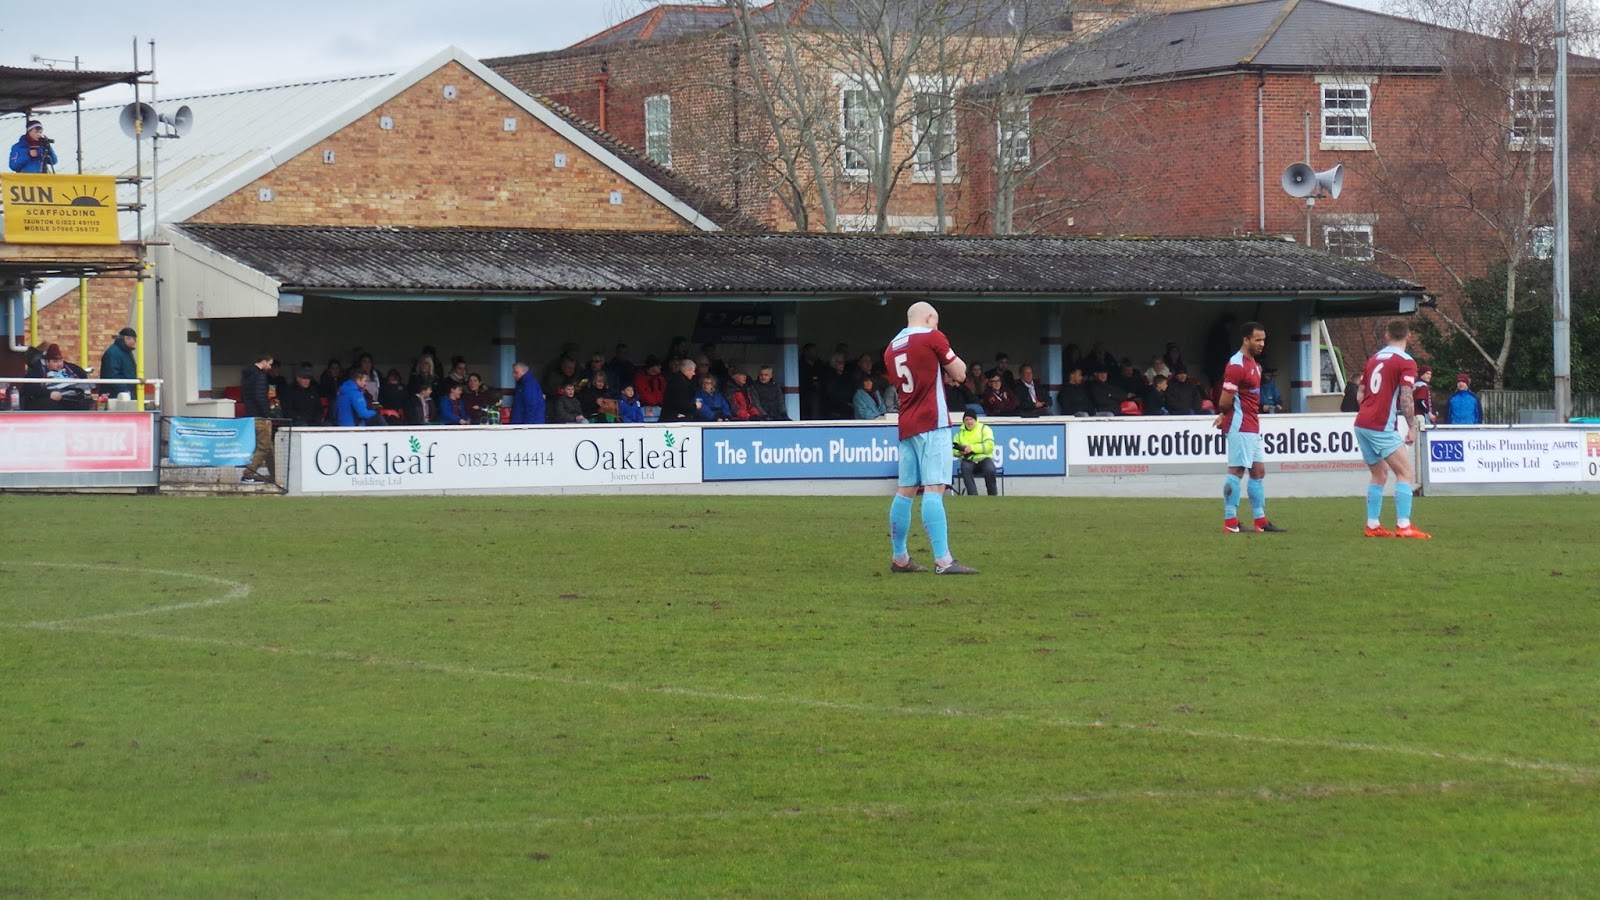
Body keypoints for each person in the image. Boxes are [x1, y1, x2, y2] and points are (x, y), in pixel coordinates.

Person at [883, 300, 979, 575]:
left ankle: (900, 558)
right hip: (932, 421)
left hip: (907, 423)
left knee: (905, 491)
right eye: (936, 322)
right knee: (935, 489)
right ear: (929, 318)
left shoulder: (891, 347)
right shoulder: (932, 336)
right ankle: (944, 560)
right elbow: (960, 373)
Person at [1355, 320, 1430, 539]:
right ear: (1409, 336)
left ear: (1386, 335)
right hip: (1380, 425)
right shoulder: (1406, 362)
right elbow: (1406, 397)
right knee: (1405, 473)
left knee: (1379, 474)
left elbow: (1360, 394)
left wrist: (1371, 408)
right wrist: (1412, 427)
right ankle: (1404, 526)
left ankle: (1372, 525)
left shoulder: (1374, 359)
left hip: (1362, 423)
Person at [1215, 322, 1285, 533]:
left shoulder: (1253, 363)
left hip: (1251, 425)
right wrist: (1223, 414)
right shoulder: (1237, 365)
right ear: (1246, 340)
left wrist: (1222, 415)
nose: (1262, 343)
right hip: (1240, 425)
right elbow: (1225, 401)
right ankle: (1230, 521)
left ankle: (1260, 520)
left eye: (1264, 339)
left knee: (1258, 471)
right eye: (1258, 340)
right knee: (1236, 471)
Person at [22, 343, 94, 410]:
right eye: (55, 361)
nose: (59, 364)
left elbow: (84, 378)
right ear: (47, 362)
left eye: (60, 361)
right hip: (54, 401)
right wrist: (48, 394)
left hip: (75, 398)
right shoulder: (37, 371)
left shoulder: (71, 368)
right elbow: (28, 388)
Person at [239, 353, 275, 484]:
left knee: (269, 447)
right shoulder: (260, 376)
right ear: (264, 362)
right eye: (270, 364)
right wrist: (267, 415)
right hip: (260, 416)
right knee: (264, 447)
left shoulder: (247, 376)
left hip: (250, 414)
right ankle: (248, 474)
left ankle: (275, 475)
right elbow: (261, 397)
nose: (270, 367)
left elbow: (245, 396)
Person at [953, 411, 999, 496]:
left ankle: (993, 496)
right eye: (966, 420)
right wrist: (960, 452)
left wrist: (972, 448)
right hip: (968, 459)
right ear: (964, 421)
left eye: (971, 419)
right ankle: (973, 496)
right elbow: (953, 450)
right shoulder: (959, 434)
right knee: (965, 468)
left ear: (975, 420)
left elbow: (990, 445)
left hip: (984, 459)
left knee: (990, 470)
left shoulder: (984, 429)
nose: (969, 422)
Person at [99, 327, 139, 402]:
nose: (135, 342)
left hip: (123, 394)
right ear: (126, 338)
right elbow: (112, 375)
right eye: (134, 339)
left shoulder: (123, 352)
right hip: (116, 396)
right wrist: (125, 391)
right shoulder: (114, 353)